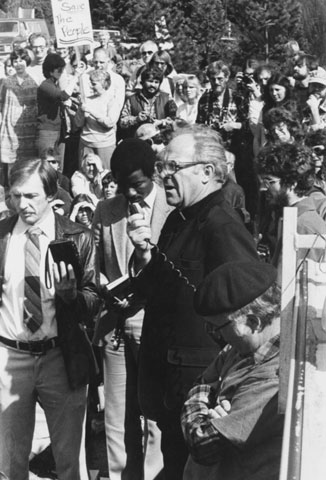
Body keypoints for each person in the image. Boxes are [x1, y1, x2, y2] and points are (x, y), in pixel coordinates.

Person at [126, 125, 259, 479]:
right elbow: (160, 287)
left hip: (199, 388)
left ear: (208, 171)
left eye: (173, 167)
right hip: (170, 387)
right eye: (162, 168)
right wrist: (143, 255)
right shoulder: (178, 218)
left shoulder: (222, 224)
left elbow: (251, 312)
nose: (164, 176)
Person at [0, 158, 100, 480]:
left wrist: (71, 296)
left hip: (60, 356)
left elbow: (95, 300)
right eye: (16, 196)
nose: (22, 205)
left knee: (68, 461)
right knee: (9, 461)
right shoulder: (2, 236)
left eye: (31, 196)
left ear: (52, 194)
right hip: (9, 358)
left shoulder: (76, 237)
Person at [92, 139, 170, 480]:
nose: (131, 194)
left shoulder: (173, 206)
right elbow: (93, 266)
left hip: (155, 322)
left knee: (155, 413)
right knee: (117, 414)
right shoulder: (106, 209)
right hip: (115, 323)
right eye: (123, 186)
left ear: (152, 174)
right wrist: (107, 289)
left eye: (136, 185)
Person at [181, 261, 283, 480]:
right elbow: (200, 383)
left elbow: (202, 443)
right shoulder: (240, 348)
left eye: (217, 328)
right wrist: (205, 410)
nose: (212, 335)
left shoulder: (276, 377)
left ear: (253, 322)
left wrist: (200, 409)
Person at [257, 142, 326, 282]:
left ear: (292, 182)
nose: (263, 188)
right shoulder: (292, 218)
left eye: (269, 181)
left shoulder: (305, 225)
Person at [0, 48, 38, 185]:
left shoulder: (34, 81)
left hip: (29, 130)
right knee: (11, 166)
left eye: (21, 60)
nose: (18, 64)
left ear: (26, 61)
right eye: (15, 61)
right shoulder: (6, 82)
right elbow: (1, 103)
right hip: (10, 129)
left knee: (28, 166)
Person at [37, 53, 78, 170]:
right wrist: (76, 77)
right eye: (59, 70)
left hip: (58, 131)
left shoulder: (54, 85)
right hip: (47, 131)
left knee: (59, 167)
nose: (61, 72)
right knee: (45, 168)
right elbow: (64, 96)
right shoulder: (45, 86)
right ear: (50, 71)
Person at [74, 69, 121, 169]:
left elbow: (109, 123)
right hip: (85, 144)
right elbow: (78, 124)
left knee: (105, 176)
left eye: (94, 84)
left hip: (105, 146)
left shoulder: (112, 100)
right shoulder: (87, 100)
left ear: (104, 84)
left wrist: (90, 111)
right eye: (90, 83)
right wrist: (81, 110)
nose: (91, 86)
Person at [119, 66, 177, 138]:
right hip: (139, 140)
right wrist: (136, 119)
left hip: (161, 141)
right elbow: (122, 123)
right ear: (142, 82)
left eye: (156, 82)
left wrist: (161, 122)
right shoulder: (132, 99)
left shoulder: (167, 98)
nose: (153, 85)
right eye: (150, 81)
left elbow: (175, 121)